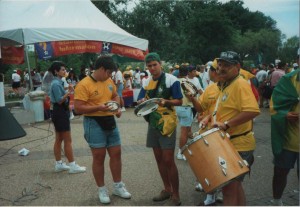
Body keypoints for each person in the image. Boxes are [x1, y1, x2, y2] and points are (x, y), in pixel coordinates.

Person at [188, 51, 260, 206]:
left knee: (229, 190)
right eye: (219, 65)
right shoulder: (223, 85)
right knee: (234, 187)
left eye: (227, 65)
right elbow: (205, 108)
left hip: (239, 143)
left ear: (237, 67)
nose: (221, 68)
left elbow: (253, 110)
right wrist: (193, 99)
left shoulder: (239, 84)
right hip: (227, 143)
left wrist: (227, 124)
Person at [74, 56, 131, 204]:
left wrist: (117, 106)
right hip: (93, 122)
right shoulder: (84, 84)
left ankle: (118, 186)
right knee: (99, 157)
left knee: (116, 153)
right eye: (109, 72)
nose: (110, 76)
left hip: (110, 120)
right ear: (101, 69)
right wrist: (98, 107)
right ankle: (102, 189)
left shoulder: (108, 81)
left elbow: (115, 95)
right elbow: (78, 108)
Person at [137, 52, 183, 206]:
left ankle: (176, 194)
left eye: (154, 65)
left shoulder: (172, 80)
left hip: (167, 122)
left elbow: (180, 101)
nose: (152, 68)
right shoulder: (146, 81)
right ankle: (167, 189)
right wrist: (141, 100)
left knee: (169, 159)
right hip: (153, 123)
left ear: (160, 64)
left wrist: (166, 101)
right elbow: (141, 98)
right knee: (159, 158)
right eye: (149, 66)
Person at [270, 61, 299, 206]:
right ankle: (277, 201)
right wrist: (285, 114)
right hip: (288, 140)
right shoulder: (288, 80)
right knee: (280, 172)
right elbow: (273, 106)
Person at [49, 61, 86, 174]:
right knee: (67, 139)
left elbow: (59, 95)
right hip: (60, 112)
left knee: (59, 138)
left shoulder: (58, 82)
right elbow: (59, 100)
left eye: (65, 69)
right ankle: (72, 165)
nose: (65, 71)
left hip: (59, 112)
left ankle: (59, 164)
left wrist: (66, 90)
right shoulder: (55, 83)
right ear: (56, 71)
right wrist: (69, 92)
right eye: (62, 70)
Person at [175, 65, 193, 161]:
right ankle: (180, 152)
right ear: (187, 72)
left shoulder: (176, 81)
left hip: (177, 107)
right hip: (185, 107)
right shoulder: (186, 83)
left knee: (186, 131)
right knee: (184, 132)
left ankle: (186, 149)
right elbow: (191, 97)